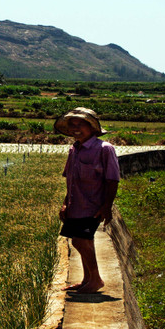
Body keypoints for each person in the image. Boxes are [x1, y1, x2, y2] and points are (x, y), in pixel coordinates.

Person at [54, 107, 120, 293]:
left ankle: (96, 279)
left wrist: (107, 206)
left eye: (81, 124)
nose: (76, 128)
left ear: (92, 127)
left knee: (80, 241)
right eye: (72, 125)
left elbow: (112, 179)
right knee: (84, 241)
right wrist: (65, 203)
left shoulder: (104, 149)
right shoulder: (74, 150)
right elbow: (71, 180)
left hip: (92, 206)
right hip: (76, 206)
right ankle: (87, 279)